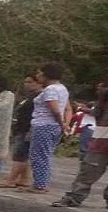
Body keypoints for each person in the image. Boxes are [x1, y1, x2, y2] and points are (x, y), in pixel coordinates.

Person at [52, 85, 108, 209]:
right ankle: (74, 197)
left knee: (88, 171)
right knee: (88, 171)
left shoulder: (107, 94)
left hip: (102, 139)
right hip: (103, 139)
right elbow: (97, 113)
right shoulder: (107, 94)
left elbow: (96, 113)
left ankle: (74, 197)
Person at [26, 63, 72, 193]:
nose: (38, 76)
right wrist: (65, 124)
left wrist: (61, 122)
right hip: (53, 126)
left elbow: (55, 109)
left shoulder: (50, 90)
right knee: (45, 154)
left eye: (40, 73)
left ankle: (40, 184)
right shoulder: (62, 88)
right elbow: (68, 109)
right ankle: (41, 182)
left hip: (44, 124)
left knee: (39, 155)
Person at [0, 75, 42, 188]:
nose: (26, 84)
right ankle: (24, 178)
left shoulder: (39, 97)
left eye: (30, 82)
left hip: (28, 128)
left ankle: (10, 180)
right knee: (24, 154)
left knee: (20, 154)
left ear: (38, 83)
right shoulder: (30, 97)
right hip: (22, 127)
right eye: (25, 82)